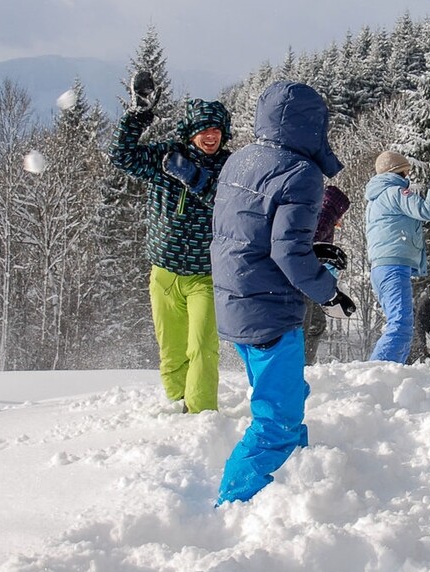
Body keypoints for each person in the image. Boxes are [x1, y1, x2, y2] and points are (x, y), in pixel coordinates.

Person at [210, 80, 352, 505]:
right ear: (313, 125)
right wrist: (330, 293)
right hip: (270, 310)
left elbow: (251, 232)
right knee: (278, 418)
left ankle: (300, 477)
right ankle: (232, 503)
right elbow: (287, 252)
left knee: (282, 396)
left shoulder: (240, 160)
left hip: (235, 301)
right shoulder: (302, 173)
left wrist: (315, 248)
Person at [109, 71, 232, 413]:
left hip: (204, 278)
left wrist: (197, 180)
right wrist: (138, 117)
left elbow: (231, 205)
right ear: (191, 131)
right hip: (162, 275)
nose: (211, 136)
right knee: (172, 351)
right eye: (204, 129)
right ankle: (178, 404)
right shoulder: (165, 157)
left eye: (217, 130)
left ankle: (202, 413)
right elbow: (121, 156)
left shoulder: (229, 166)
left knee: (202, 347)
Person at [364, 150, 430, 363]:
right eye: (406, 172)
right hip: (393, 266)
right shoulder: (395, 192)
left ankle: (392, 371)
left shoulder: (375, 199)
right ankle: (377, 372)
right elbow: (428, 211)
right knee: (400, 324)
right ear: (398, 172)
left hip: (380, 268)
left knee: (400, 324)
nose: (408, 178)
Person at [303, 185, 352, 365]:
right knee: (311, 325)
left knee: (314, 324)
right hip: (305, 279)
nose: (340, 219)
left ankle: (302, 364)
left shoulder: (320, 213)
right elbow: (312, 244)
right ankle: (301, 366)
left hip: (307, 279)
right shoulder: (325, 215)